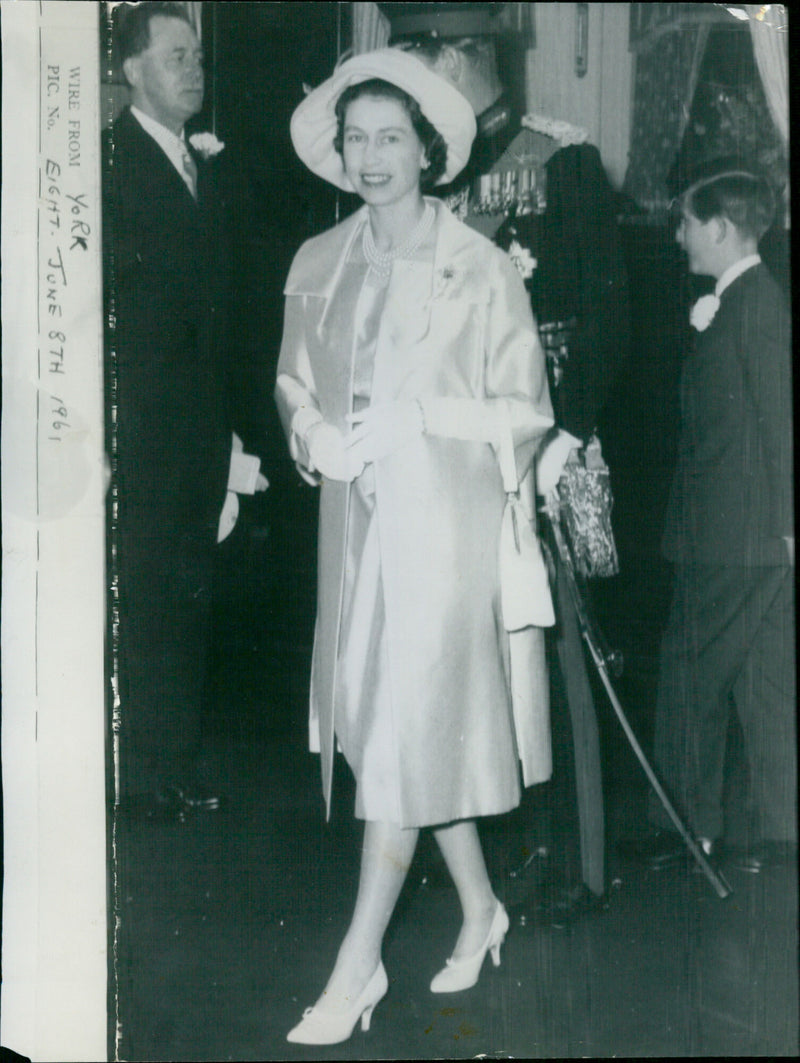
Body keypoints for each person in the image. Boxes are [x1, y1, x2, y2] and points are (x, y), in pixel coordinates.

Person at [275, 48, 554, 1045]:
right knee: (400, 728)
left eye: (391, 136)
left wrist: (425, 415)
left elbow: (523, 407)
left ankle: (356, 971)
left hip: (443, 532)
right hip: (351, 532)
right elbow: (293, 382)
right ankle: (480, 909)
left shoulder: (476, 269)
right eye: (356, 137)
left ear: (426, 150)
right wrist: (308, 431)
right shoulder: (317, 261)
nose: (372, 155)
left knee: (397, 736)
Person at [390, 15, 630, 918]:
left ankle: (578, 863)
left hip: (544, 450)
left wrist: (561, 437)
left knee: (561, 657)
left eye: (416, 57)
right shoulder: (426, 171)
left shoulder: (559, 159)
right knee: (466, 656)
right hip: (452, 456)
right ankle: (484, 856)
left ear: (457, 57)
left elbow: (606, 320)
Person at [103, 2, 266, 819]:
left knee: (188, 596)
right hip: (141, 432)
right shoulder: (108, 166)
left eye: (198, 54)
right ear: (132, 71)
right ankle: (134, 775)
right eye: (176, 55)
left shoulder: (210, 169)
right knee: (143, 601)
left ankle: (170, 764)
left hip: (201, 430)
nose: (195, 69)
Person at [642, 160, 795, 873]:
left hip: (735, 536)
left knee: (688, 673)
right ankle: (782, 830)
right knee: (763, 683)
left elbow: (782, 423)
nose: (679, 236)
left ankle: (684, 827)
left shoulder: (755, 306)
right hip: (755, 537)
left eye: (687, 223)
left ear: (723, 228)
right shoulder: (745, 304)